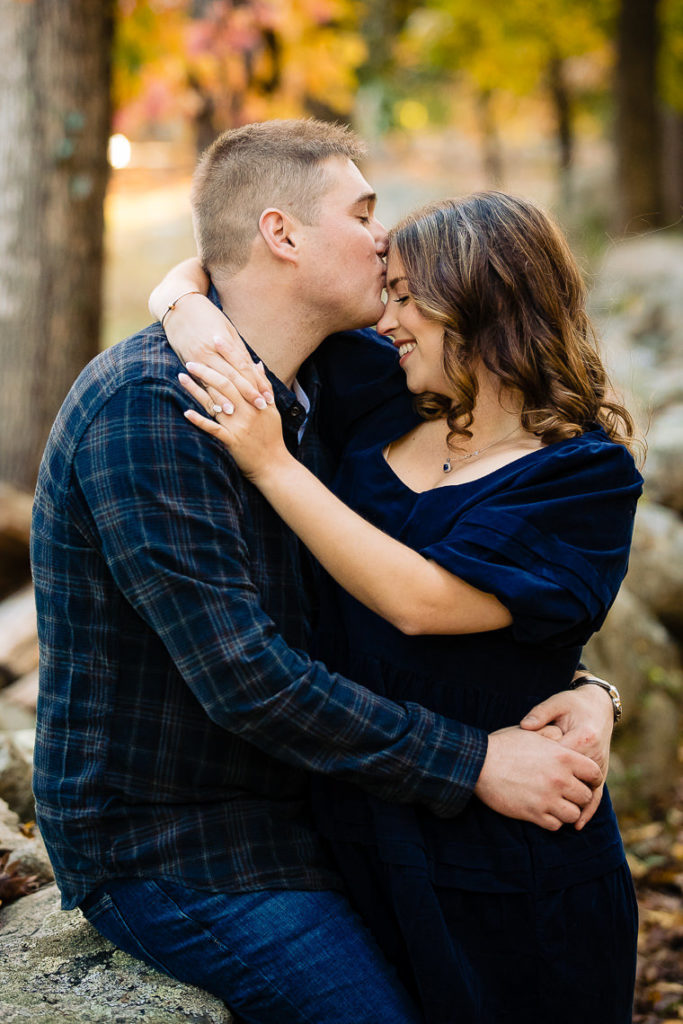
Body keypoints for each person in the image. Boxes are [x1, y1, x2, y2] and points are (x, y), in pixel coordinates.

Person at [32, 119, 613, 1024]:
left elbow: (499, 536)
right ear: (281, 234)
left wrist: (588, 690)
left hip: (311, 810)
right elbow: (246, 679)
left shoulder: (318, 385)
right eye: (364, 211)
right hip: (177, 844)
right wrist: (473, 762)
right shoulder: (158, 411)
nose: (385, 239)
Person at [173, 191, 642, 1023]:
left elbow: (421, 604)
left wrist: (271, 464)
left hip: (509, 865)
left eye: (402, 294)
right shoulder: (388, 392)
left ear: (478, 297)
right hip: (358, 836)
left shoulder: (584, 478)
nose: (384, 317)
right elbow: (217, 285)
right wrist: (180, 306)